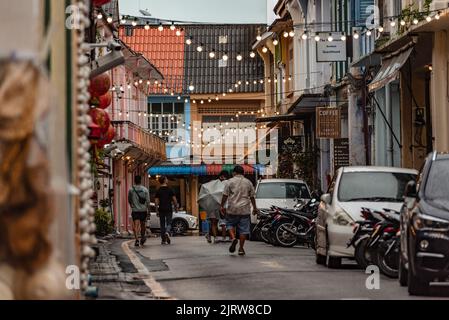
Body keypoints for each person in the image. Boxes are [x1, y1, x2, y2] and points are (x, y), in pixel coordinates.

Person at [220, 165, 258, 255]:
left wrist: (222, 206)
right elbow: (252, 197)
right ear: (243, 173)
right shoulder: (248, 182)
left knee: (229, 224)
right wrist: (255, 208)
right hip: (244, 209)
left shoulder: (229, 182)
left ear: (234, 173)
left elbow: (225, 195)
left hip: (232, 209)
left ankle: (233, 238)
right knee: (243, 230)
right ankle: (241, 248)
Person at [205, 170, 229, 244]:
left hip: (216, 206)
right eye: (222, 176)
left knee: (218, 223)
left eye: (224, 177)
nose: (223, 178)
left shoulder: (219, 183)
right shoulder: (225, 183)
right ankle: (218, 237)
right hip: (217, 206)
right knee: (217, 222)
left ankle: (214, 237)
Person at [155, 176, 178, 245]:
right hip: (168, 209)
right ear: (165, 180)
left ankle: (163, 240)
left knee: (162, 225)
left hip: (161, 209)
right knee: (169, 222)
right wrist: (176, 207)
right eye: (166, 179)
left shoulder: (158, 190)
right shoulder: (170, 189)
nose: (167, 180)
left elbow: (156, 201)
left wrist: (156, 210)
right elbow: (175, 200)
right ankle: (167, 232)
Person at [128, 175, 150, 247]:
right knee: (143, 224)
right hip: (143, 210)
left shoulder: (131, 189)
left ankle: (137, 239)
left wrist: (132, 205)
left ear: (134, 180)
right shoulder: (145, 189)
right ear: (140, 180)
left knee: (136, 225)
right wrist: (148, 211)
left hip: (135, 210)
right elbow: (148, 201)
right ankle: (143, 237)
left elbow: (129, 200)